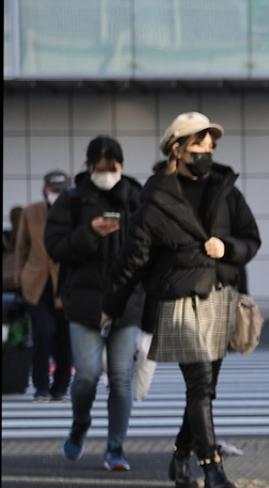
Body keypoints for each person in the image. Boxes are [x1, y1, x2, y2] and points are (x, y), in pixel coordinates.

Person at [106, 111, 262, 488]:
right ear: (177, 148)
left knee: (205, 390)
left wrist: (227, 248)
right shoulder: (154, 199)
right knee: (200, 384)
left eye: (210, 145)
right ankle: (212, 468)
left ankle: (180, 455)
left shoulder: (225, 188)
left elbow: (251, 238)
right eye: (198, 144)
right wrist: (112, 305)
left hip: (220, 296)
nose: (206, 151)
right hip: (177, 300)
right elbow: (133, 259)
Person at [44, 136, 145, 469]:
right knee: (86, 375)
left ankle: (115, 448)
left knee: (120, 377)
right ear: (88, 167)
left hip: (126, 301)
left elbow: (147, 246)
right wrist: (90, 232)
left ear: (121, 166)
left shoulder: (135, 197)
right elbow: (55, 247)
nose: (106, 175)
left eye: (111, 168)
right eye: (99, 169)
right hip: (84, 301)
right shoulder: (72, 201)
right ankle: (80, 424)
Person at [15, 170, 72, 402]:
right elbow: (22, 247)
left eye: (61, 190)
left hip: (66, 283)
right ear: (45, 189)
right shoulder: (31, 212)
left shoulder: (75, 211)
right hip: (36, 283)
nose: (56, 194)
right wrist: (20, 277)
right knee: (43, 331)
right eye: (53, 190)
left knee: (64, 336)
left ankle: (60, 386)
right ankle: (41, 386)